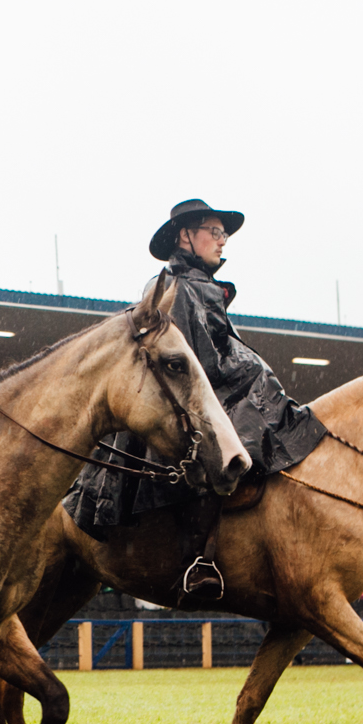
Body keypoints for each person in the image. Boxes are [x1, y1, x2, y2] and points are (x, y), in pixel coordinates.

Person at [66, 199, 328, 599]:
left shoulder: (195, 284)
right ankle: (200, 560)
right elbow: (201, 362)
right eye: (215, 232)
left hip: (200, 393)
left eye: (224, 234)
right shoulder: (181, 287)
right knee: (222, 453)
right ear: (186, 236)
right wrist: (255, 373)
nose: (223, 242)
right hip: (185, 403)